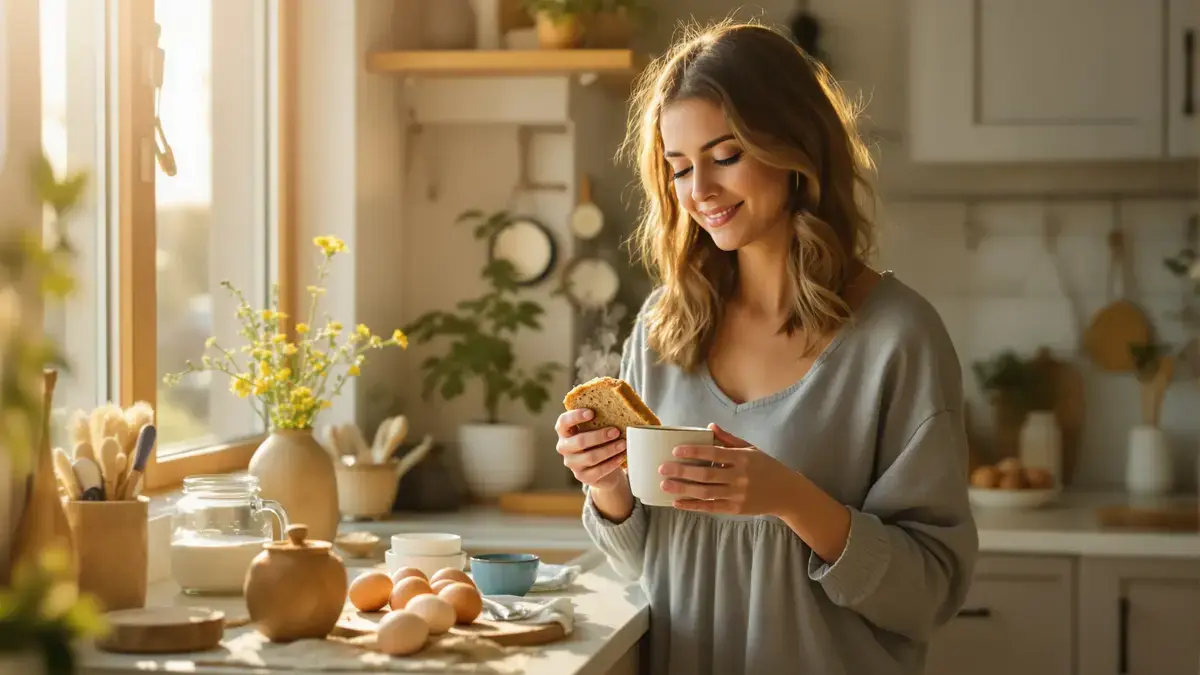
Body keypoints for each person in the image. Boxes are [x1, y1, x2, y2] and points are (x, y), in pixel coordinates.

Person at [554, 19, 979, 675]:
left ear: (796, 146)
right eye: (678, 169)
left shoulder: (898, 338)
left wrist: (790, 497)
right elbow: (650, 566)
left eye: (726, 156)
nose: (700, 192)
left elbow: (931, 590)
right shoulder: (665, 329)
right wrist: (610, 487)